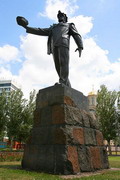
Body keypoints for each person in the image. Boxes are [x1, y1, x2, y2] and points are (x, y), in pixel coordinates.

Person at [17, 11, 83, 87]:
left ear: (65, 18)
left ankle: (63, 82)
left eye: (62, 15)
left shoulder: (69, 25)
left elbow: (76, 34)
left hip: (64, 43)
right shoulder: (53, 28)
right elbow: (40, 31)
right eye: (59, 15)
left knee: (63, 63)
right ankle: (67, 85)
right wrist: (26, 27)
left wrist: (80, 46)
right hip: (54, 46)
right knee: (58, 66)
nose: (60, 16)